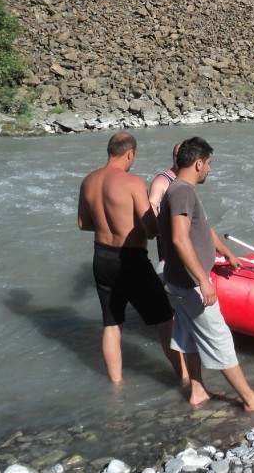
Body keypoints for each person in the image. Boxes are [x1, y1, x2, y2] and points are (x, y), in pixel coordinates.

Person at [158, 136, 254, 412]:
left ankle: (197, 390)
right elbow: (181, 239)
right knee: (219, 338)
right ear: (198, 163)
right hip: (190, 284)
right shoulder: (182, 192)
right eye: (208, 164)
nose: (209, 170)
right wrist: (203, 281)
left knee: (189, 335)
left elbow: (201, 228)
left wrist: (226, 251)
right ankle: (250, 400)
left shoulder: (177, 189)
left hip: (177, 281)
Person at [77, 131, 185, 384]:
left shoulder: (88, 181)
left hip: (101, 256)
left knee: (112, 324)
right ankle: (186, 379)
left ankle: (116, 384)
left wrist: (109, 227)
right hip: (131, 259)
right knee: (164, 320)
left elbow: (83, 223)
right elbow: (151, 230)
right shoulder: (132, 182)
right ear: (130, 153)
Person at [148, 142, 181, 263]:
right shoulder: (162, 181)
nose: (178, 158)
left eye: (182, 155)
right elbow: (152, 205)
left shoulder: (186, 179)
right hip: (168, 237)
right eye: (176, 155)